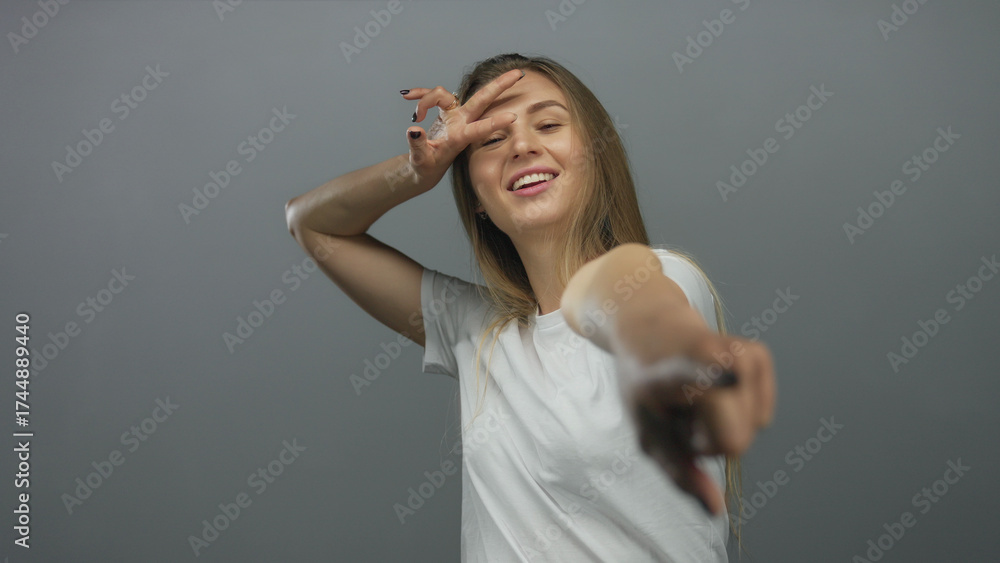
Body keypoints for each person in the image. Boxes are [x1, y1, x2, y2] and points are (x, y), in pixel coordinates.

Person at [285, 53, 776, 562]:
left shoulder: (663, 279)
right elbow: (311, 225)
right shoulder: (476, 331)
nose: (522, 145)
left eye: (548, 124)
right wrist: (417, 172)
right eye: (491, 140)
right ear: (475, 195)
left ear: (596, 155)